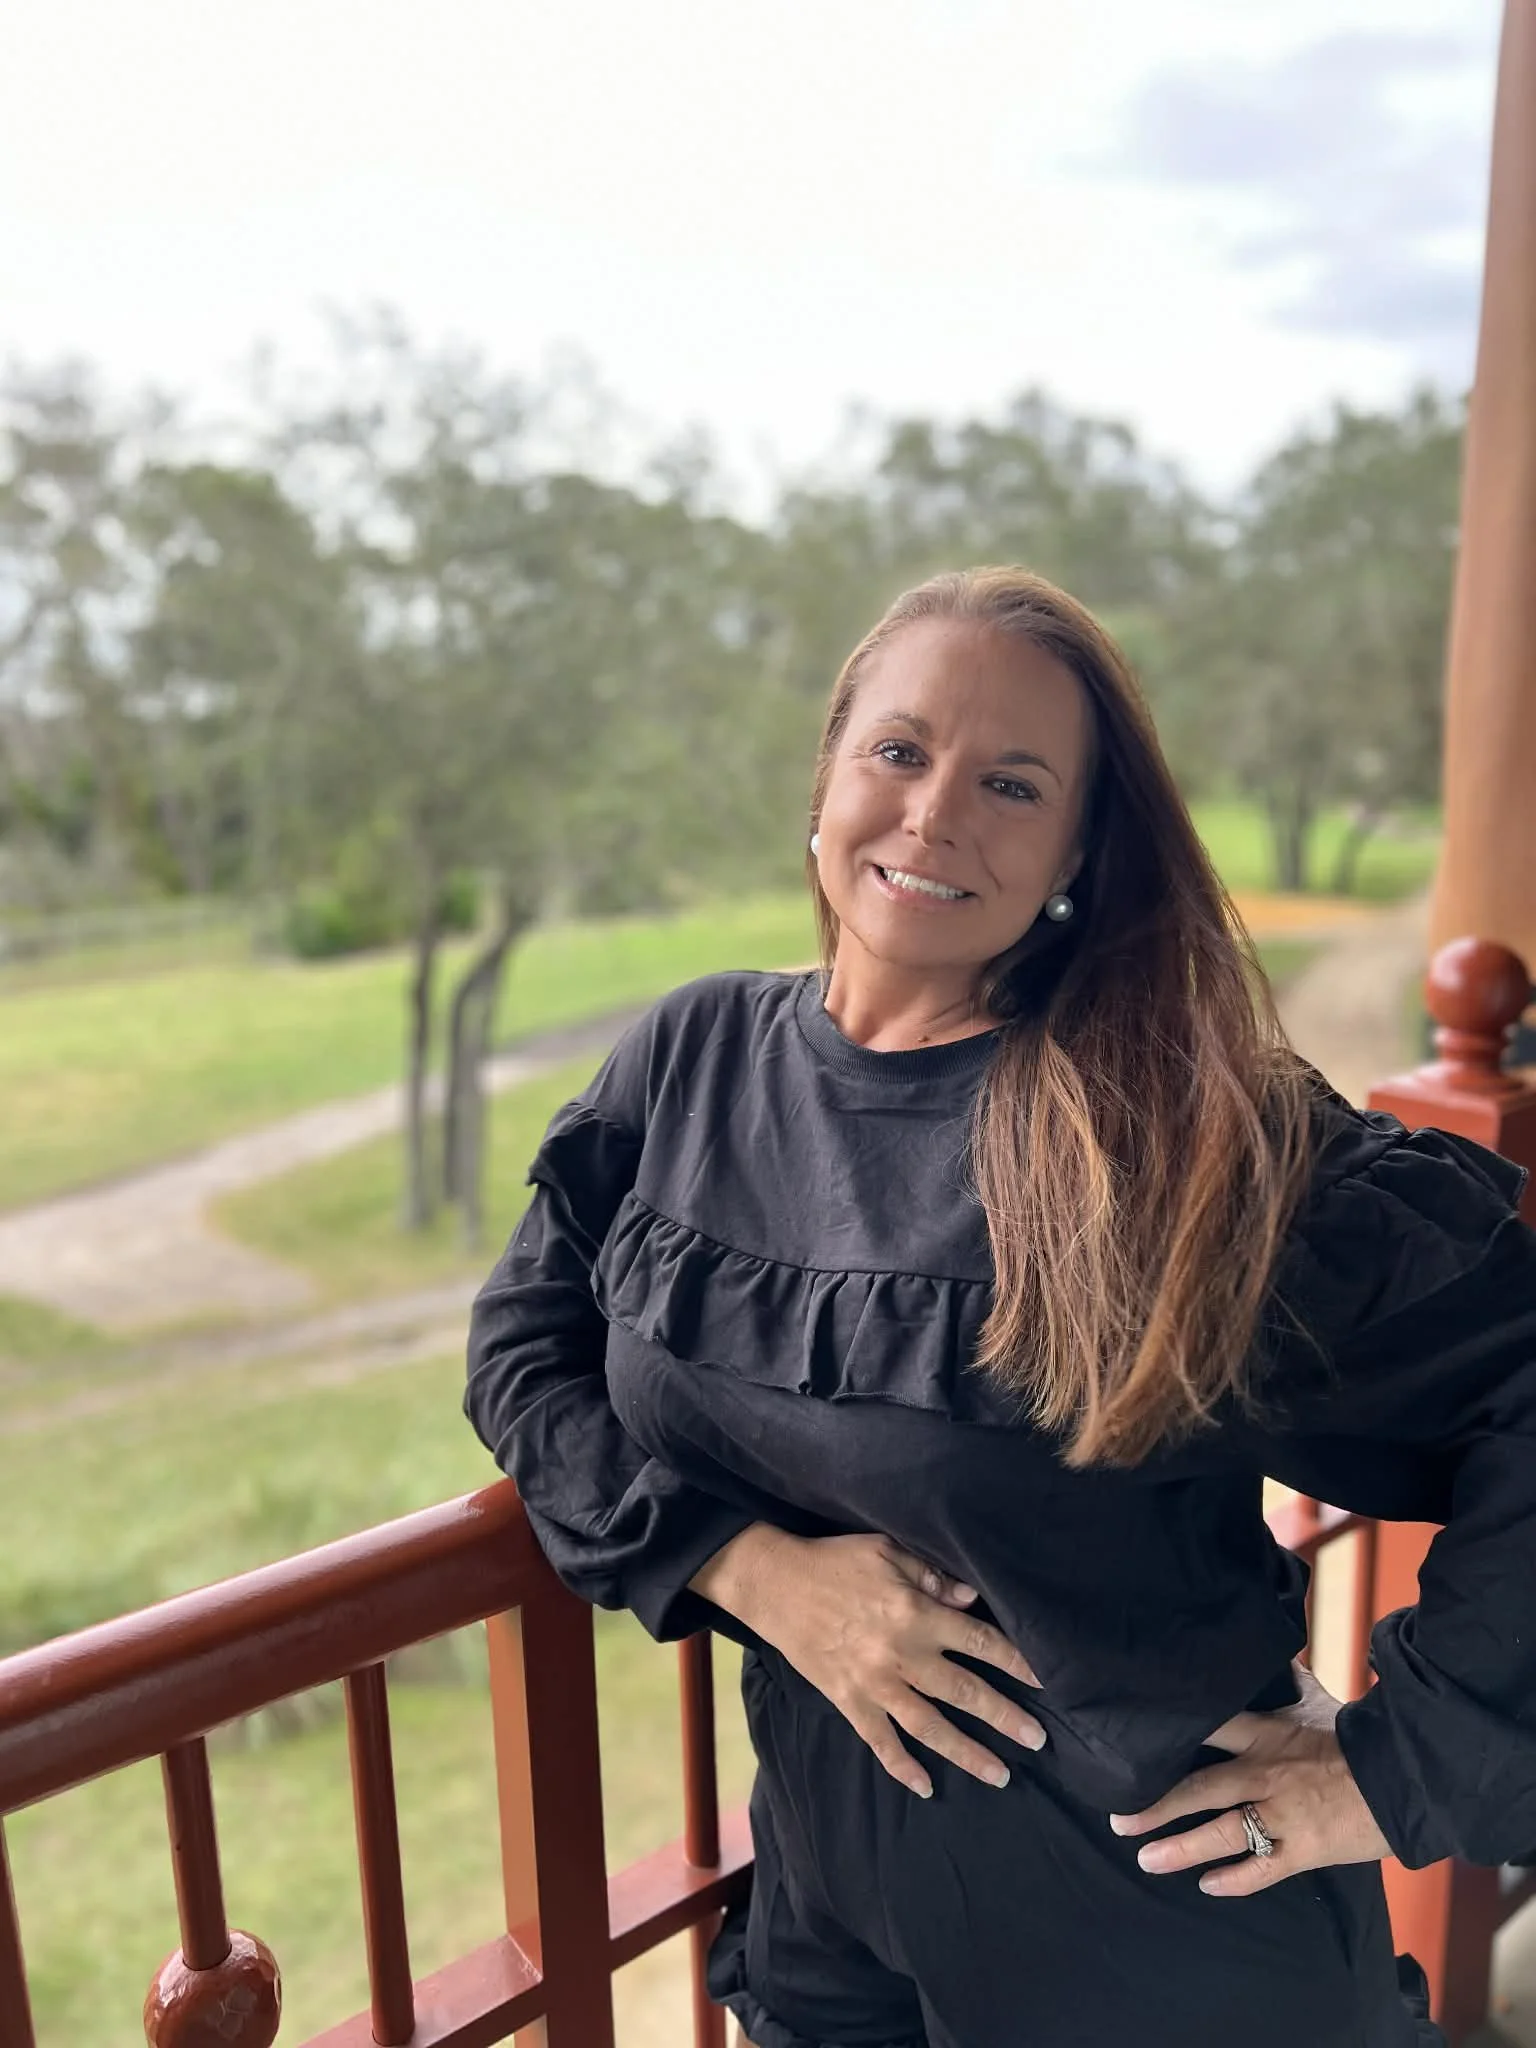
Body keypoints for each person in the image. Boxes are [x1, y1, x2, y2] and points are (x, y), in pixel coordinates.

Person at [464, 567, 1536, 2048]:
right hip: (830, 1936)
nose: (935, 813)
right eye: (899, 752)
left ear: (1077, 853)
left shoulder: (1168, 1131)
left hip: (1161, 1947)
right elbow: (525, 1344)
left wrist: (1393, 1768)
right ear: (827, 779)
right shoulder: (692, 1060)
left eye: (1011, 784)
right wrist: (748, 1569)